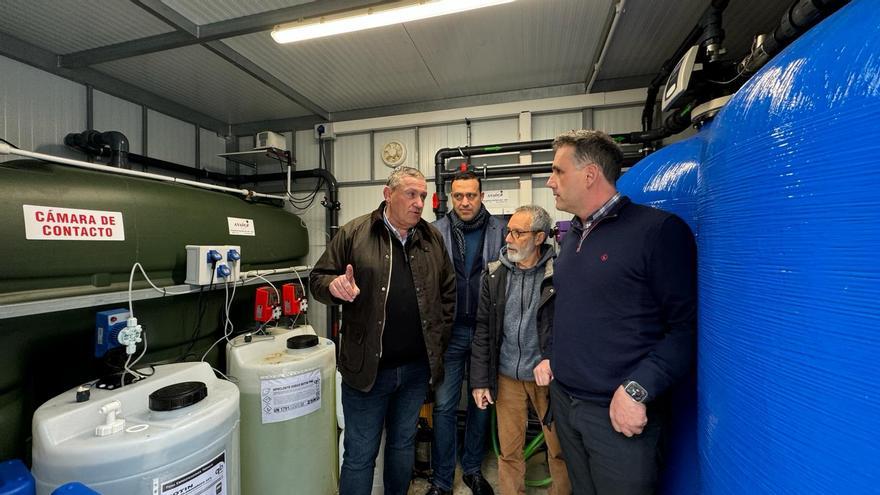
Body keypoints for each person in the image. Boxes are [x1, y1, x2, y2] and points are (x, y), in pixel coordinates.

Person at [535, 130, 697, 495]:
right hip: (567, 402)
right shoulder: (574, 236)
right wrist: (552, 356)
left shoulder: (656, 232)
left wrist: (638, 389)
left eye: (558, 171)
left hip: (616, 413)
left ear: (590, 174)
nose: (550, 182)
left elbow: (686, 329)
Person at [310, 166, 456, 495]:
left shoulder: (432, 238)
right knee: (360, 455)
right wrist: (334, 286)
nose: (419, 202)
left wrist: (437, 341)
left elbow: (448, 294)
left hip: (416, 371)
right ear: (388, 195)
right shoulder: (354, 233)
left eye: (422, 195)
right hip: (367, 372)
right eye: (411, 194)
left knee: (403, 445)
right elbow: (317, 279)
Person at [471, 205, 571, 495]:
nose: (509, 238)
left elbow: (571, 327)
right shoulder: (495, 275)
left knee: (558, 451)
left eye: (518, 232)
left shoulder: (560, 274)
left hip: (547, 378)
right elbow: (483, 331)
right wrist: (479, 380)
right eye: (508, 231)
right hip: (506, 376)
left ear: (539, 238)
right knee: (509, 451)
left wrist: (552, 359)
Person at [428, 171, 505, 495]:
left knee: (481, 403)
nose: (464, 202)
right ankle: (443, 480)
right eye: (458, 196)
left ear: (481, 196)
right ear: (450, 197)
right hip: (451, 332)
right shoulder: (435, 232)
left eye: (470, 195)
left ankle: (473, 469)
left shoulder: (500, 230)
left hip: (486, 332)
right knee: (445, 406)